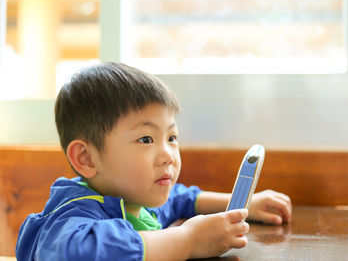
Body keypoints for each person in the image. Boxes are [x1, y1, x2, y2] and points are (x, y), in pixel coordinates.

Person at [16, 62, 292, 261]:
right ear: (86, 158)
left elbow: (182, 198)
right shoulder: (75, 213)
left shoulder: (134, 198)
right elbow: (75, 252)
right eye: (146, 139)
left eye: (172, 137)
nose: (168, 155)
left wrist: (244, 203)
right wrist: (188, 240)